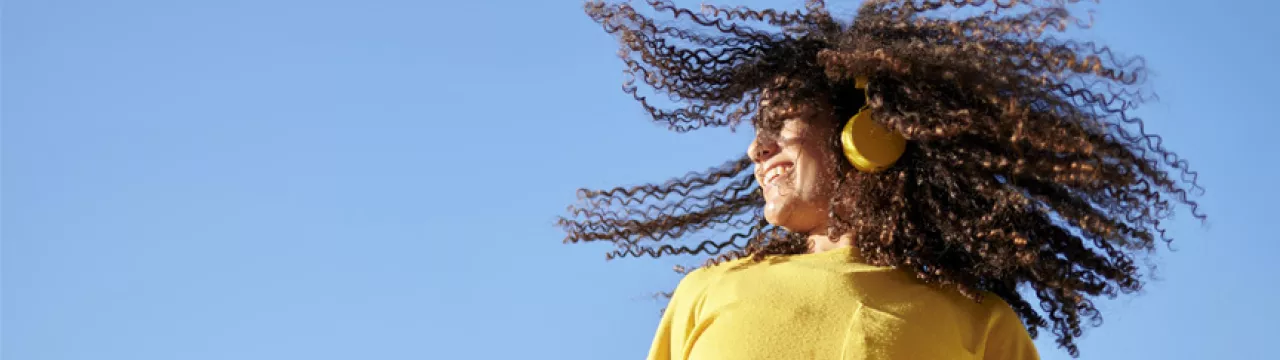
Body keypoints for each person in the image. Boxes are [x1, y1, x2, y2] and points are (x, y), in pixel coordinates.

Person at [558, 1, 1205, 359]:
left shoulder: (979, 324)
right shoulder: (707, 293)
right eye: (757, 131)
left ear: (866, 131)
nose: (756, 148)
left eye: (781, 123)